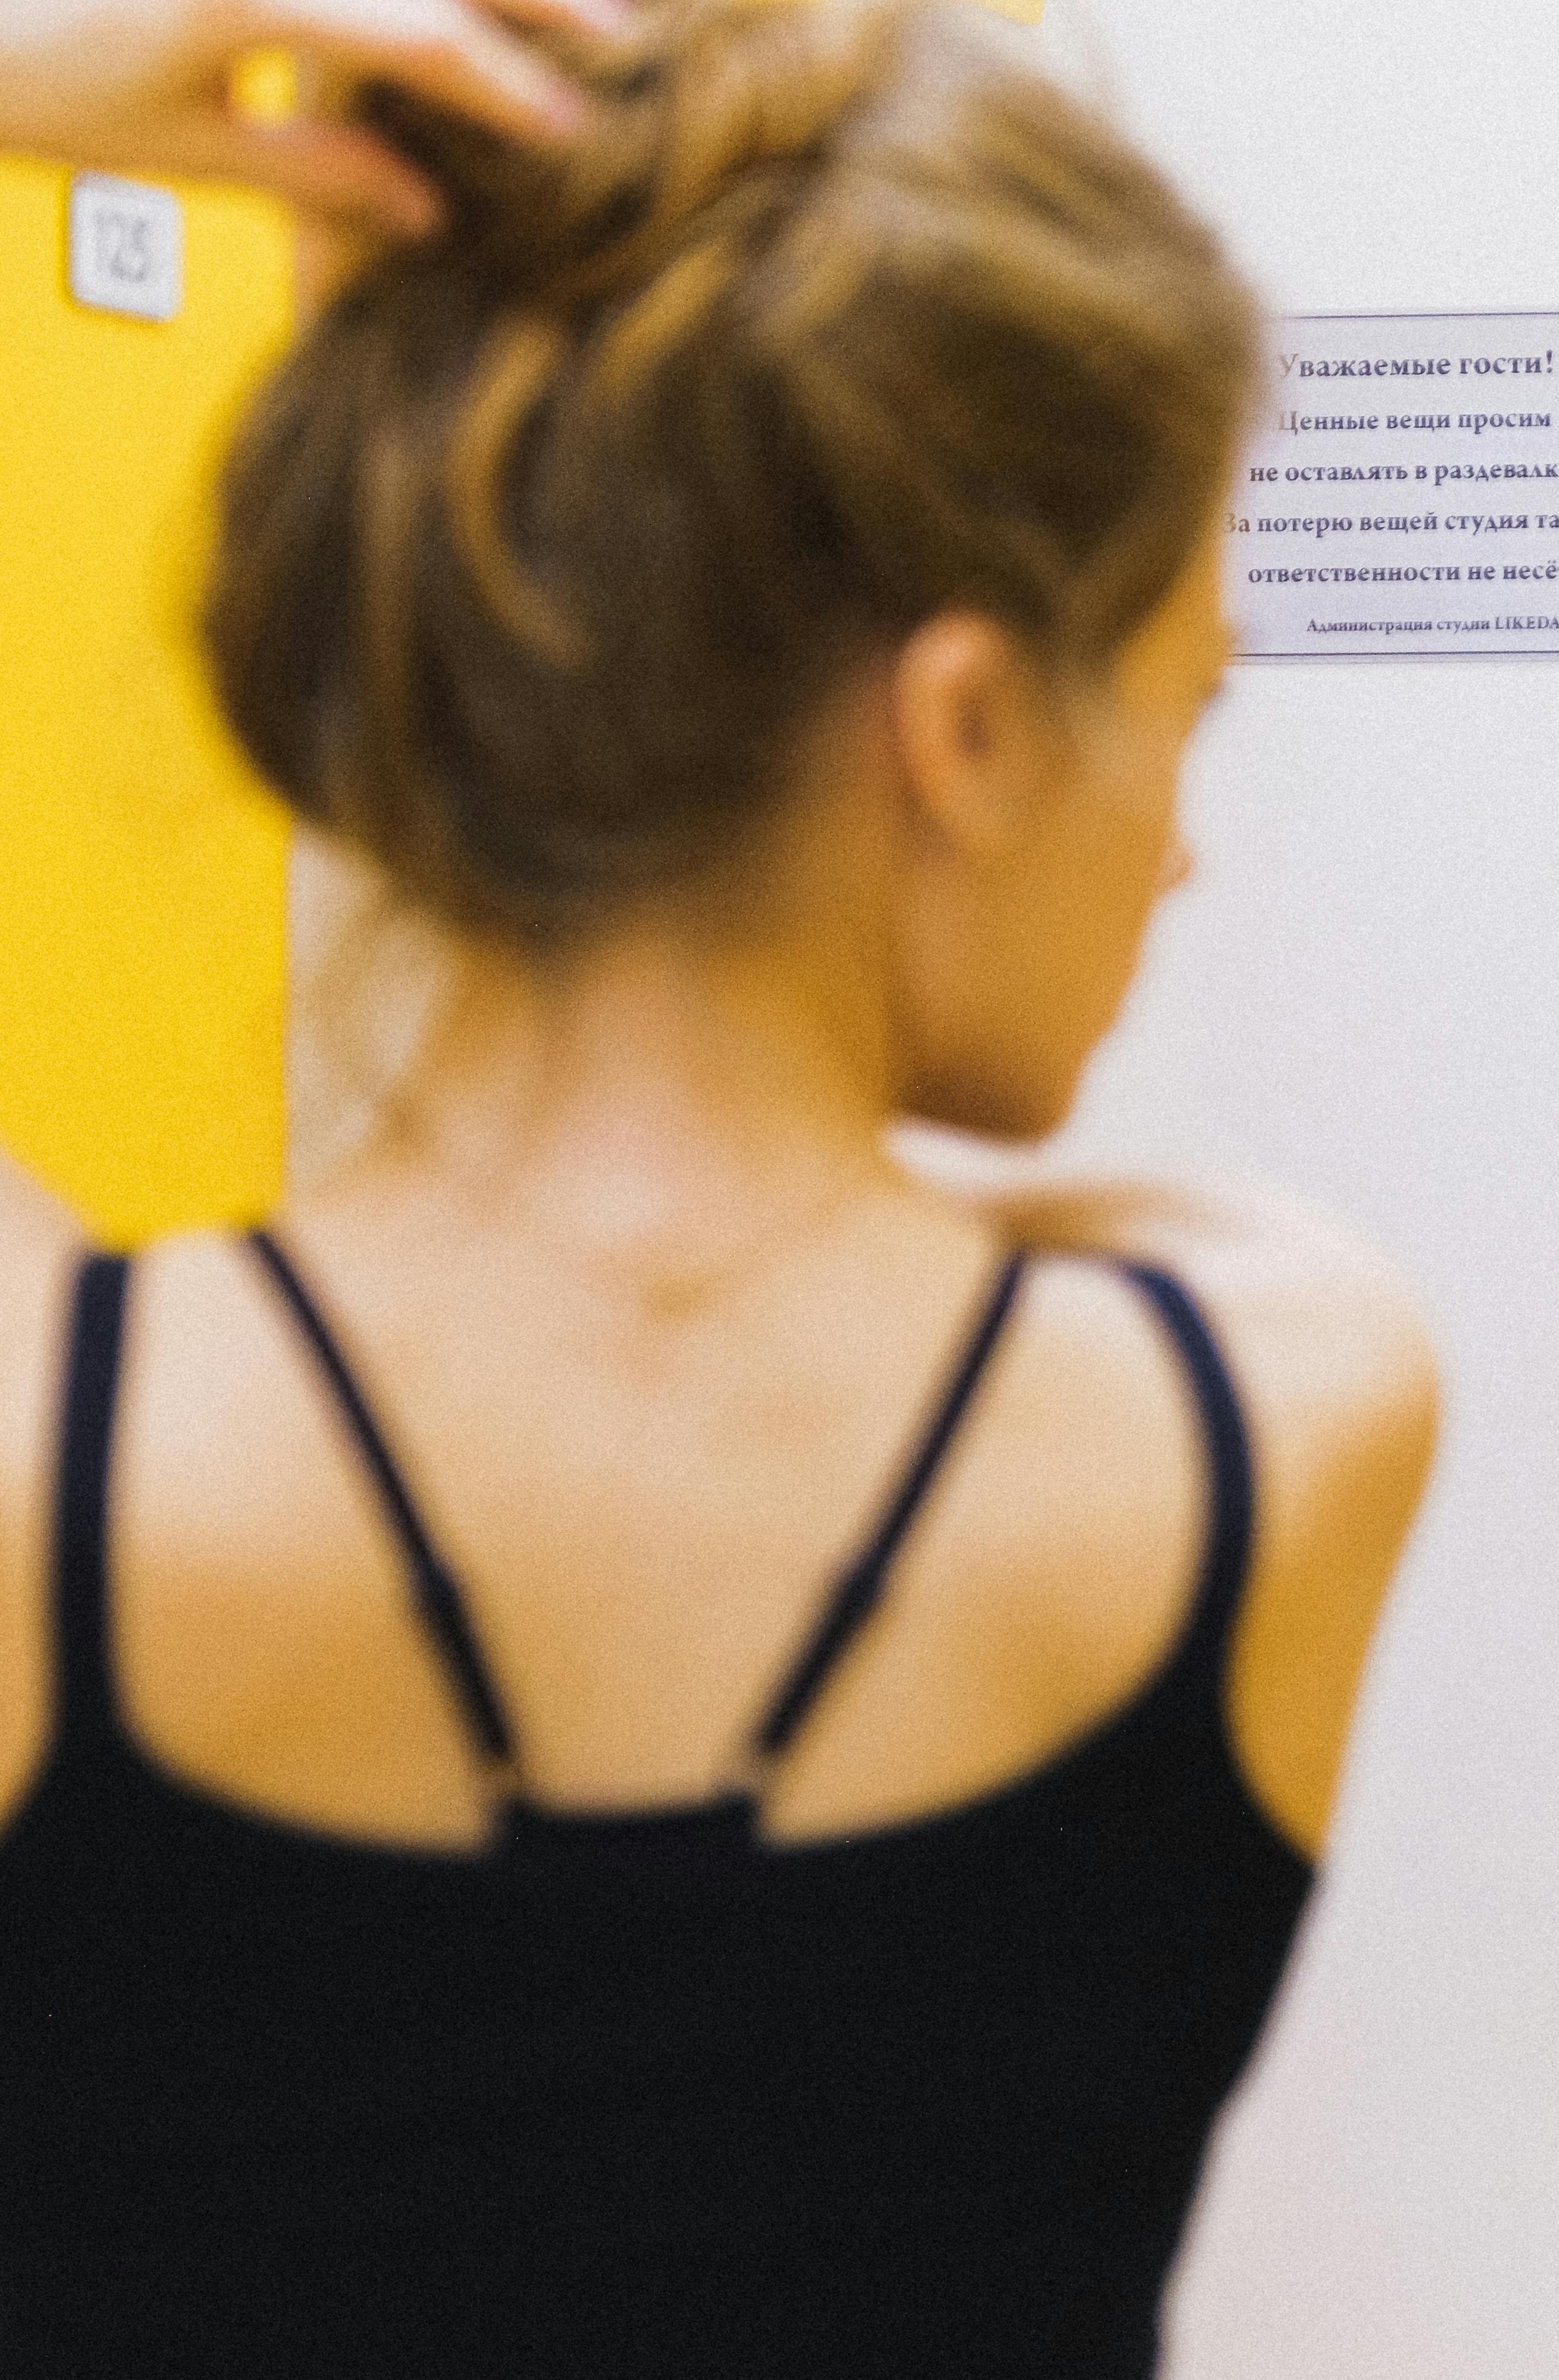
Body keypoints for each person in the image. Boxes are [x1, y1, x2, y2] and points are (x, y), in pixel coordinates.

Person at [0, 1, 1438, 2369]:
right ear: (965, 725)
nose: (1182, 846)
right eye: (1189, 701)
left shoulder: (61, 1458)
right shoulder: (1266, 1410)